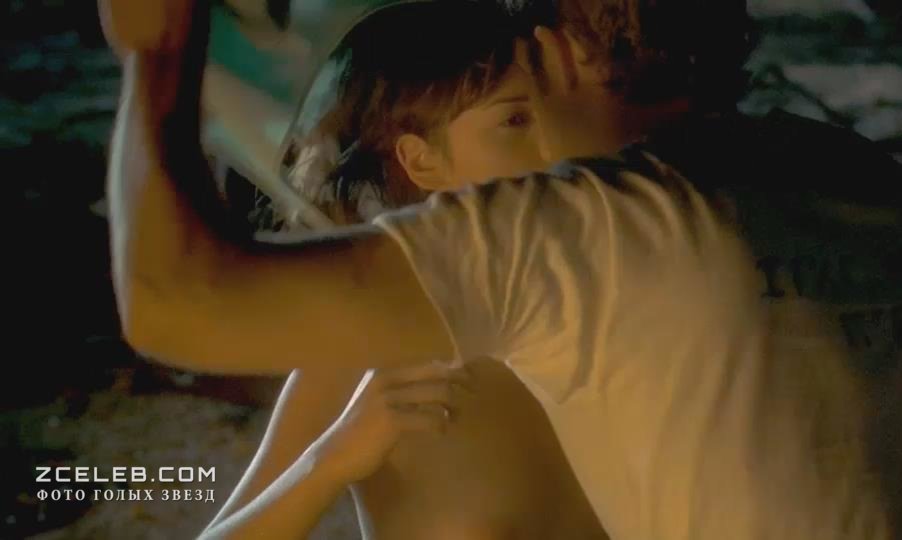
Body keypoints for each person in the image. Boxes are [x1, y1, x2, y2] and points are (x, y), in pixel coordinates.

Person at [100, 0, 902, 537]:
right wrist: (328, 460)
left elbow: (178, 296)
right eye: (509, 122)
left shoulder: (586, 253)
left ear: (552, 54)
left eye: (524, 107)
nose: (536, 143)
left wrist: (156, 49)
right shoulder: (878, 187)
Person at [194, 2, 607, 539]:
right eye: (515, 121)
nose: (552, 147)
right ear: (422, 160)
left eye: (551, 115)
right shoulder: (365, 356)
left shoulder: (606, 308)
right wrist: (332, 458)